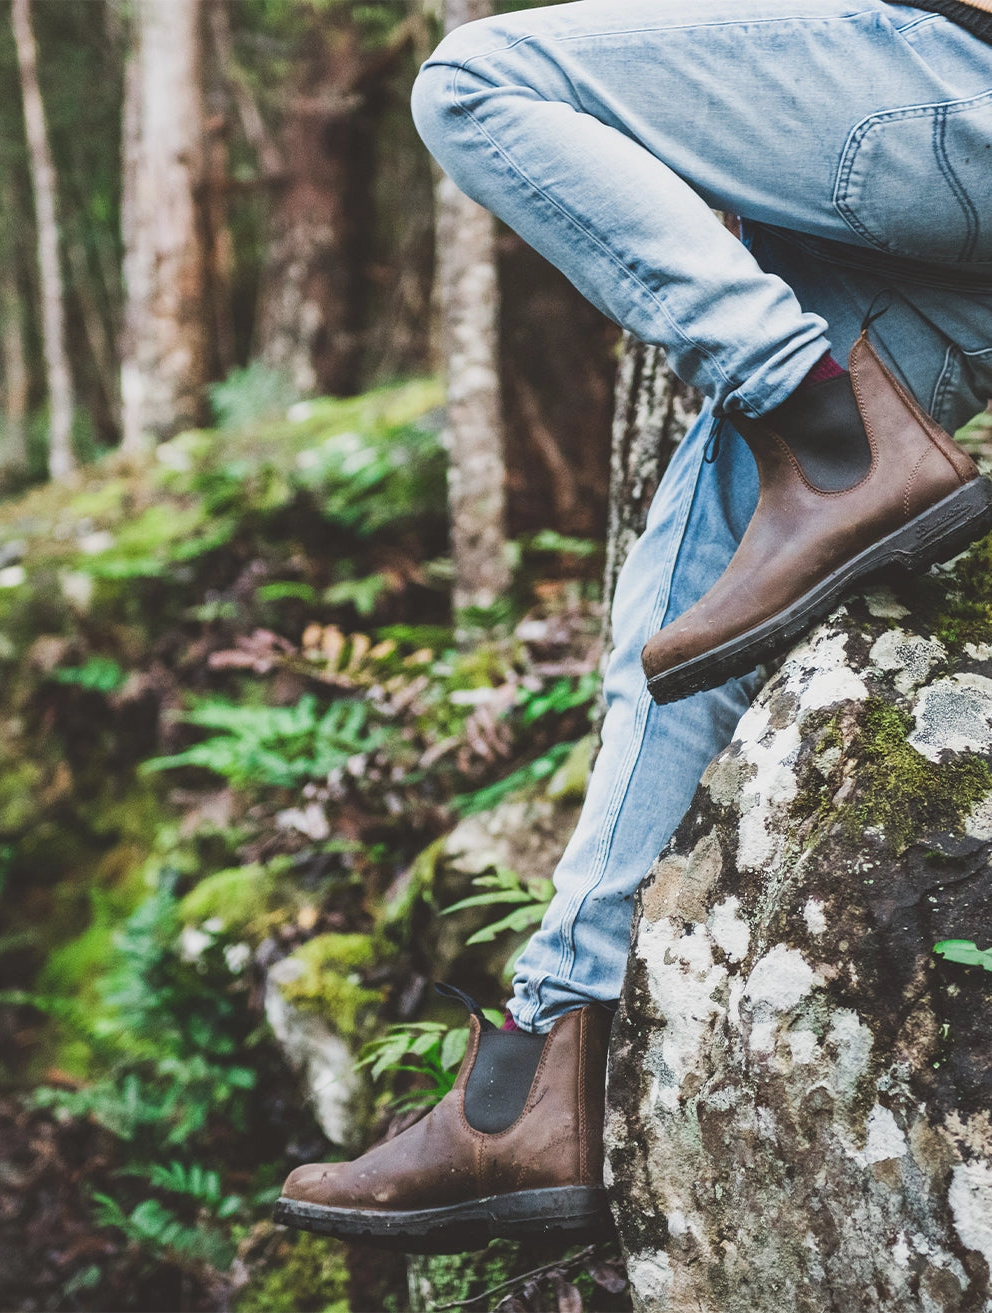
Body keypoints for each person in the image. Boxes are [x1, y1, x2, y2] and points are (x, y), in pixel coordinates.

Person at [274, 0, 992, 1252]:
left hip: (951, 93)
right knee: (691, 607)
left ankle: (813, 415)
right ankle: (536, 1084)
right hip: (936, 206)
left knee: (480, 78)